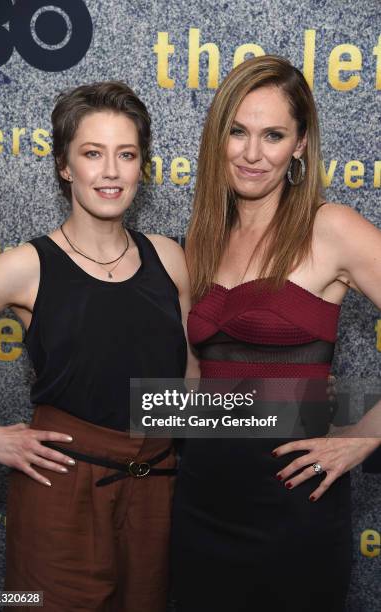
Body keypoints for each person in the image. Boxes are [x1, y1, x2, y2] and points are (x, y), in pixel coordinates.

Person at [0, 81, 197, 612]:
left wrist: (298, 406)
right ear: (64, 166)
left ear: (142, 166)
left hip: (155, 489)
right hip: (60, 494)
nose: (111, 171)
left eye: (127, 154)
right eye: (92, 154)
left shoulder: (169, 257)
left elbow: (190, 384)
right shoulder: (26, 267)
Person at [171, 55, 381, 612]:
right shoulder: (200, 240)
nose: (252, 153)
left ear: (301, 144)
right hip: (200, 504)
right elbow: (197, 377)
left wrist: (365, 433)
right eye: (237, 132)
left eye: (273, 135)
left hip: (294, 510)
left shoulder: (329, 228)